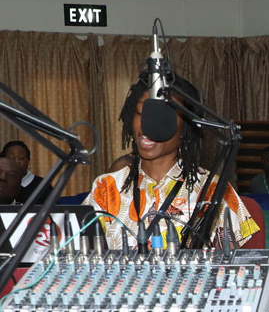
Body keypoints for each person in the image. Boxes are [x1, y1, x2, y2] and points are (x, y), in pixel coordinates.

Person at [83, 70, 259, 250]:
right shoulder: (105, 189)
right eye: (141, 113)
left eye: (162, 116)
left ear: (186, 127)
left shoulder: (213, 191)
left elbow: (233, 263)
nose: (148, 125)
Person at [1, 140, 53, 205]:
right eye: (12, 158)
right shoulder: (2, 181)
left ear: (28, 160)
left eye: (21, 158)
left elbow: (56, 209)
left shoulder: (43, 185)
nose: (17, 162)